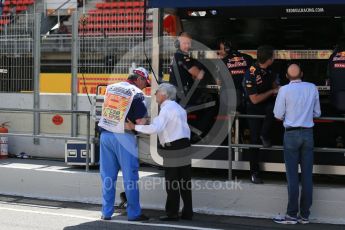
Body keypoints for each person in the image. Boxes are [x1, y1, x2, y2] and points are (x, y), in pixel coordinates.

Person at [126, 83, 193, 221]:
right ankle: (188, 212)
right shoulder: (179, 108)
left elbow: (155, 128)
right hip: (185, 146)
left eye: (157, 92)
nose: (155, 94)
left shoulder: (166, 109)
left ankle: (172, 213)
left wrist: (134, 126)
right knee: (185, 181)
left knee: (172, 182)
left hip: (173, 148)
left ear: (164, 94)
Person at [98, 67, 150, 221]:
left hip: (105, 135)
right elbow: (141, 121)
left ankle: (106, 212)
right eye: (145, 84)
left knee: (107, 176)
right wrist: (147, 121)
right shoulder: (136, 93)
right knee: (130, 176)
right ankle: (134, 213)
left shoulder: (111, 88)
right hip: (124, 137)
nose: (144, 87)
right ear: (139, 79)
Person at [273, 64, 321, 224]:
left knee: (292, 177)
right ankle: (305, 215)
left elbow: (278, 115)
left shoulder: (284, 90)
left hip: (291, 135)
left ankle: (291, 215)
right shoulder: (312, 87)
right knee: (307, 176)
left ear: (286, 76)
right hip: (308, 134)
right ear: (302, 73)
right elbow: (317, 113)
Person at [244, 45, 279, 184]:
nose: (275, 58)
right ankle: (254, 172)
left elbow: (275, 84)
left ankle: (265, 135)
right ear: (269, 59)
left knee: (273, 110)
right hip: (254, 108)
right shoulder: (251, 73)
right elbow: (255, 99)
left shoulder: (271, 69)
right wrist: (272, 91)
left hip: (269, 107)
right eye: (273, 56)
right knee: (254, 141)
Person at [218, 39, 253, 112]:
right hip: (249, 94)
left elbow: (219, 81)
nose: (220, 51)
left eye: (221, 49)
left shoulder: (223, 62)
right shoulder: (248, 58)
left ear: (227, 49)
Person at [168, 32, 204, 102]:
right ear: (178, 44)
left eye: (189, 43)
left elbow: (192, 75)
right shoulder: (181, 56)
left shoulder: (179, 55)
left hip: (178, 93)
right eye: (184, 43)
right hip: (182, 94)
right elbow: (199, 75)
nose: (187, 46)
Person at [327, 36, 345, 147]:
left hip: (336, 98)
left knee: (336, 117)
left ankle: (340, 138)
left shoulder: (333, 57)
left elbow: (329, 77)